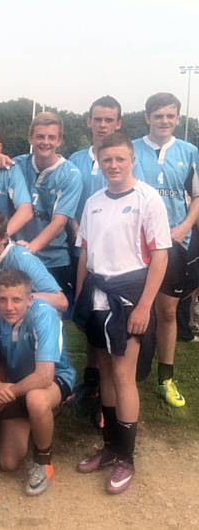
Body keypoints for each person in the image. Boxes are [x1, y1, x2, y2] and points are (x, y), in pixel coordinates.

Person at [74, 132, 169, 494]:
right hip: (97, 294)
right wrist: (82, 296)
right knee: (108, 374)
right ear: (98, 160)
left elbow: (160, 255)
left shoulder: (149, 199)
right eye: (107, 160)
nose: (113, 165)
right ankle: (111, 447)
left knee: (124, 374)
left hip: (129, 295)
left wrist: (145, 305)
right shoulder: (94, 200)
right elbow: (85, 252)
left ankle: (127, 457)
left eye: (120, 159)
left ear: (132, 160)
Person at [132, 92, 199, 407]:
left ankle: (165, 378)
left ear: (178, 119)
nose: (164, 121)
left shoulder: (189, 152)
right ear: (147, 118)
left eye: (170, 116)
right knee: (132, 308)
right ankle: (126, 372)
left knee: (167, 311)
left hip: (173, 243)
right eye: (158, 115)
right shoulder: (131, 149)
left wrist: (185, 228)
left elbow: (197, 197)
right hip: (136, 243)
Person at [0, 270, 75, 496]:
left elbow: (44, 375)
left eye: (17, 299)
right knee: (7, 462)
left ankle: (43, 462)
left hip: (53, 379)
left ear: (30, 299)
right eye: (2, 299)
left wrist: (10, 392)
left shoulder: (43, 314)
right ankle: (27, 420)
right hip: (16, 383)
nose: (9, 306)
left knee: (36, 399)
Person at [68, 96, 123, 425]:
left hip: (116, 259)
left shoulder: (126, 157)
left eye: (109, 120)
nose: (102, 125)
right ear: (88, 121)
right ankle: (92, 381)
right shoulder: (75, 159)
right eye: (97, 119)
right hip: (82, 249)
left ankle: (109, 391)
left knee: (111, 323)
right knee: (89, 319)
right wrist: (81, 234)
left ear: (118, 123)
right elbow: (73, 206)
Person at [14, 112, 83, 305]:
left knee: (49, 315)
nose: (45, 142)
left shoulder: (70, 174)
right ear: (31, 138)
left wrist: (30, 249)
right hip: (17, 255)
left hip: (53, 259)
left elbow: (59, 222)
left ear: (59, 140)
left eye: (51, 137)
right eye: (40, 136)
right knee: (15, 312)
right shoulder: (16, 164)